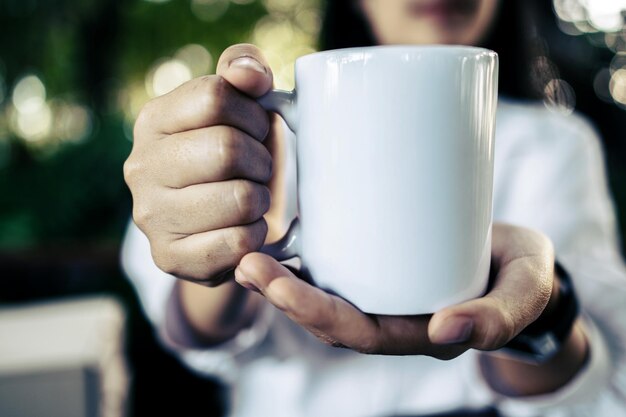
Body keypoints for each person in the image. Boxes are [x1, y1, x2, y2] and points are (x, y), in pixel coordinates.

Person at [121, 1, 626, 416]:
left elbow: (597, 384)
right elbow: (197, 334)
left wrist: (540, 312)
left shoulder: (556, 143)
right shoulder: (255, 143)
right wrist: (229, 251)